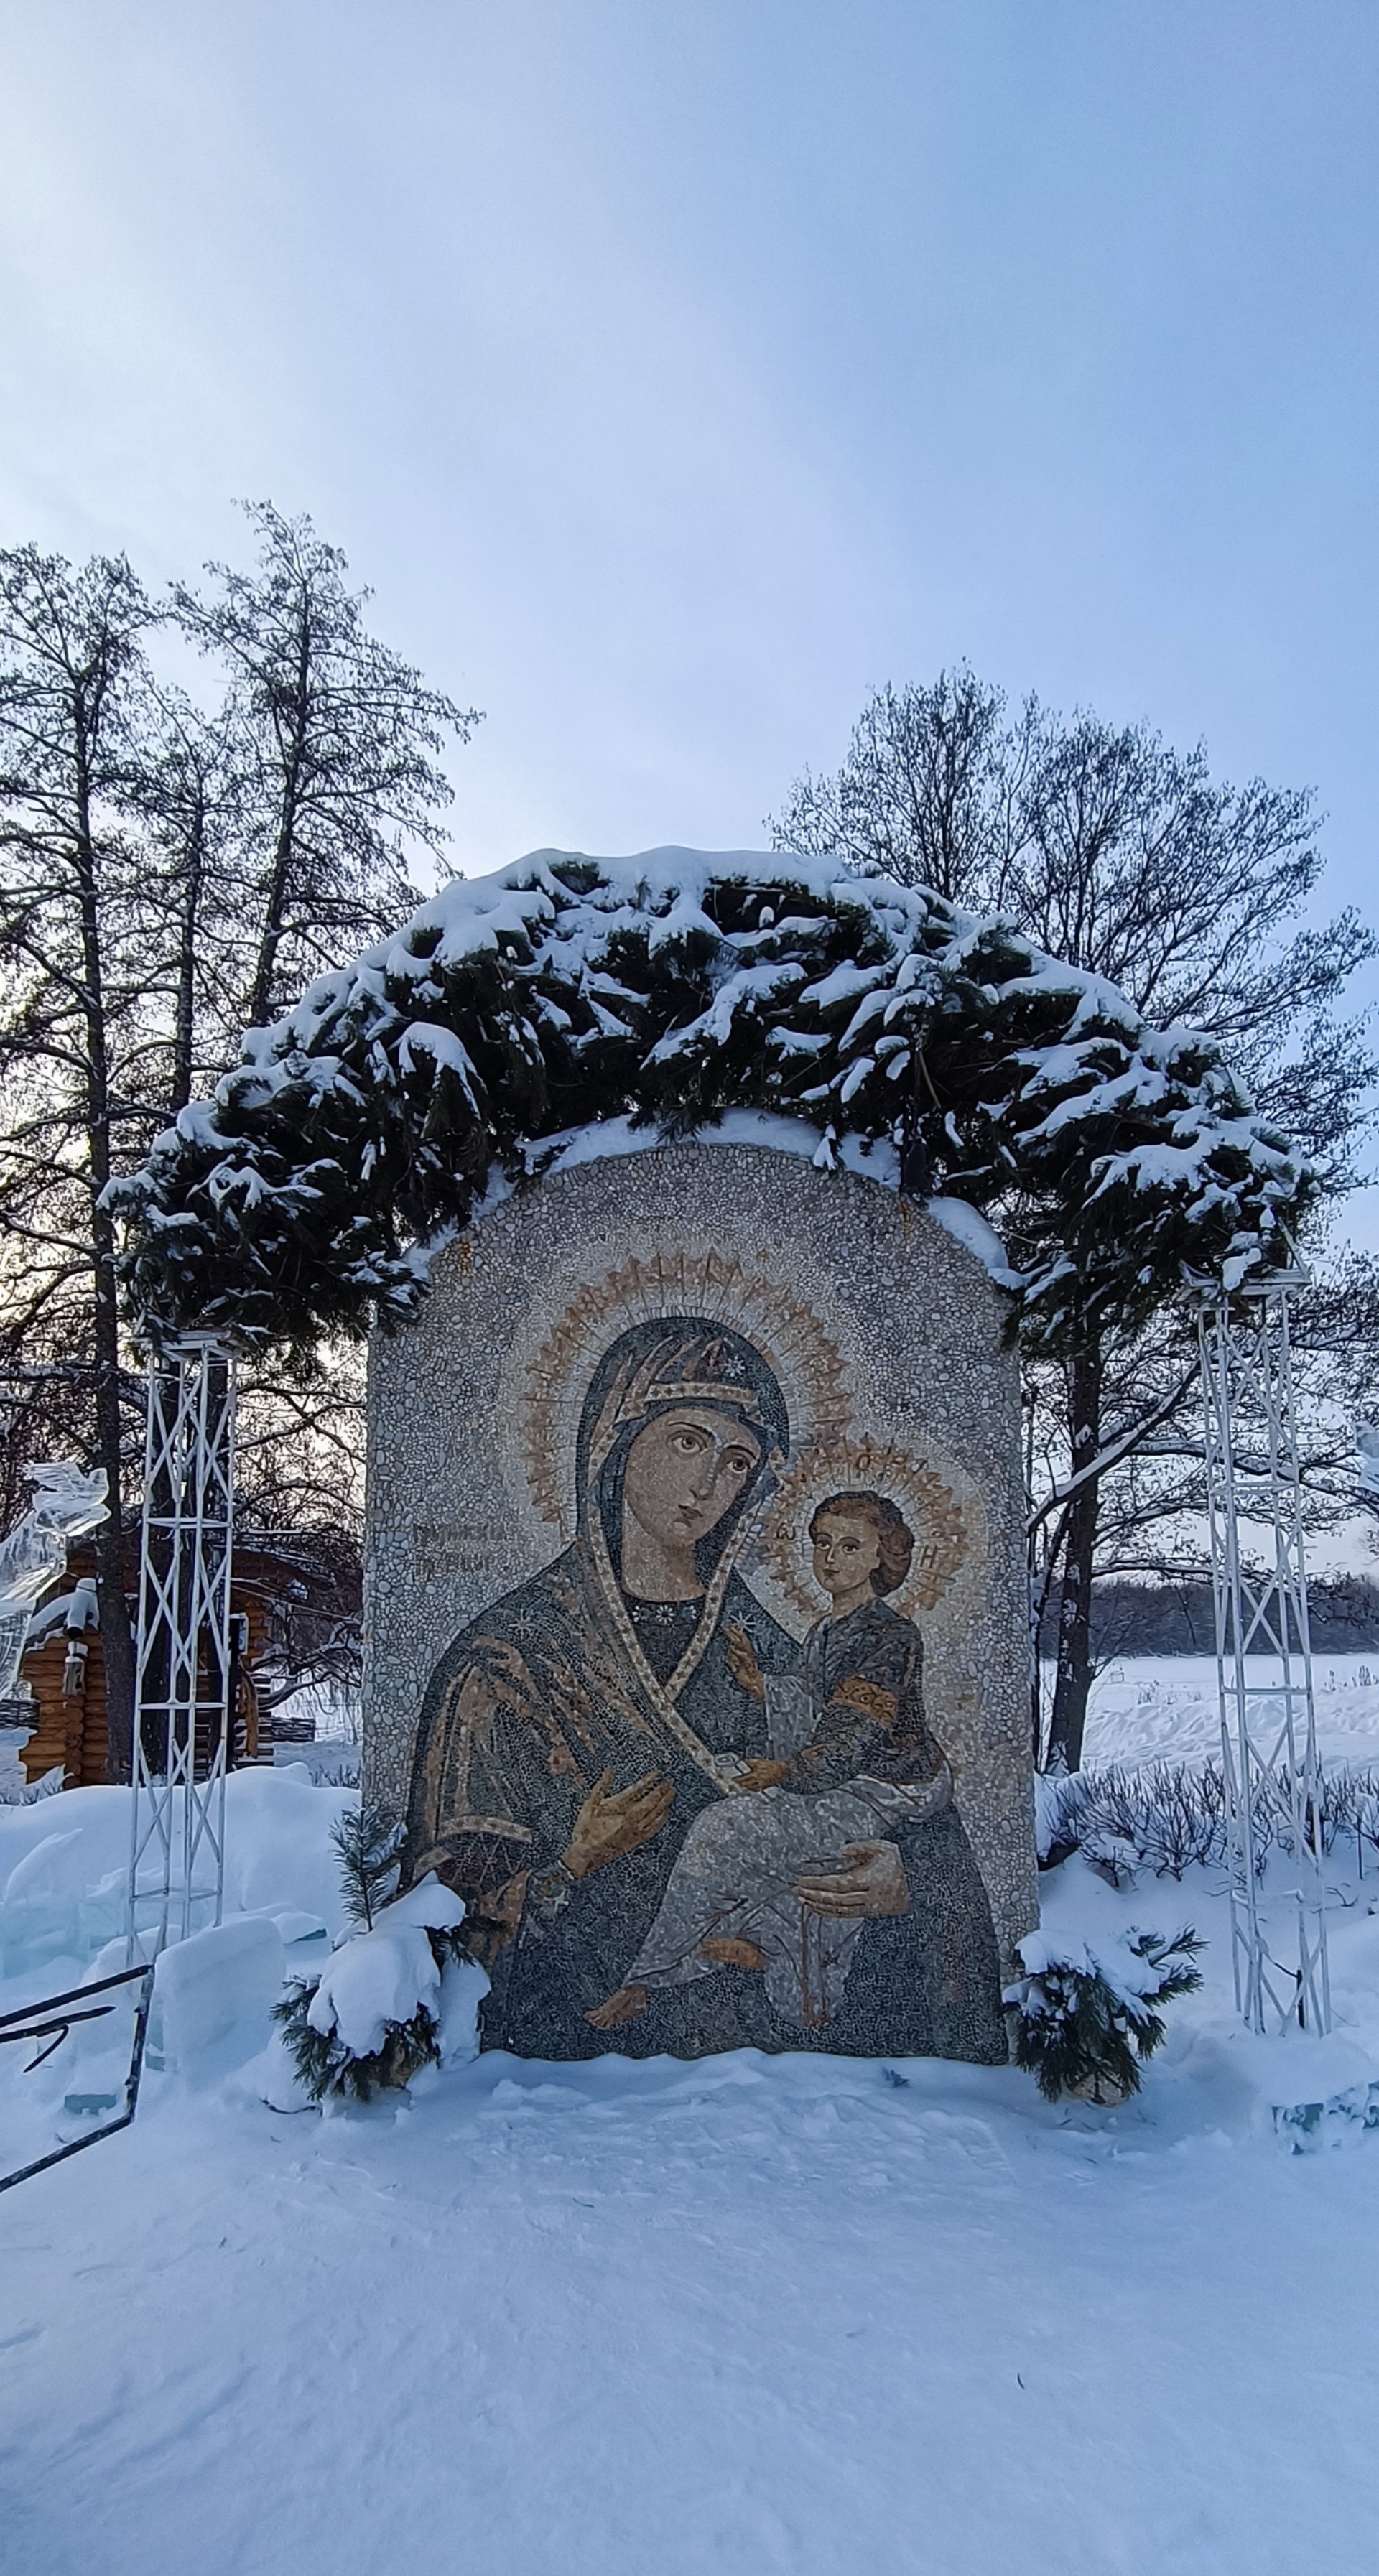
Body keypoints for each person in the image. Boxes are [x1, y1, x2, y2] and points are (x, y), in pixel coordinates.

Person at [407, 1325, 1006, 2063]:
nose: (707, 1484)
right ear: (616, 1441)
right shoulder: (507, 1660)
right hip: (568, 2077)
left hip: (767, 2073)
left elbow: (893, 1780)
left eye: (737, 1461)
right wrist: (570, 1866)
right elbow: (442, 1907)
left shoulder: (766, 1643)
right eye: (688, 1441)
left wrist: (905, 1880)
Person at [590, 1492, 972, 2032]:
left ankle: (649, 1977)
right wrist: (763, 1685)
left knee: (726, 1828)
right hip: (840, 1778)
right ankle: (771, 1944)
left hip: (888, 1788)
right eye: (822, 1543)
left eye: (849, 1545)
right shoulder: (826, 1629)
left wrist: (786, 1773)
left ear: (879, 1556)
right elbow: (812, 1704)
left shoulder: (891, 1636)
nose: (830, 1557)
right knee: (734, 1797)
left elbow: (851, 1735)